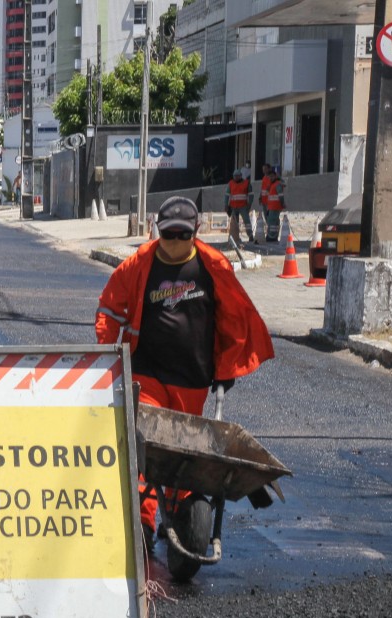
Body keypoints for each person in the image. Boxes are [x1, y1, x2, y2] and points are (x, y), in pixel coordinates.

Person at [95, 196, 274, 550]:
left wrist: (226, 369)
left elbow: (234, 321)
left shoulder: (213, 266)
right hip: (146, 372)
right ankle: (142, 523)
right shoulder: (139, 263)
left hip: (192, 378)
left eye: (182, 235)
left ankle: (180, 514)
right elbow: (109, 308)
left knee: (182, 453)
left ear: (197, 231)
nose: (175, 242)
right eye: (168, 235)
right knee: (146, 450)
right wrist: (107, 354)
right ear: (156, 230)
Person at [224, 169, 255, 246]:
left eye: (237, 176)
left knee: (247, 221)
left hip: (243, 206)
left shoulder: (246, 183)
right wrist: (226, 205)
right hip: (233, 206)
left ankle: (250, 235)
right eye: (234, 176)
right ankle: (235, 236)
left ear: (241, 176)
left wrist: (249, 204)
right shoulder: (230, 184)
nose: (236, 177)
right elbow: (227, 195)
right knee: (235, 223)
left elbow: (251, 195)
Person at [264, 167, 286, 243]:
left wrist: (282, 204)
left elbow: (281, 195)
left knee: (272, 222)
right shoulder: (272, 185)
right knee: (274, 222)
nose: (271, 178)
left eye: (272, 176)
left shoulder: (277, 184)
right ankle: (273, 236)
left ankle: (271, 236)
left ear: (275, 176)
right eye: (270, 177)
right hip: (272, 207)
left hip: (275, 206)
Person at [259, 164, 278, 242]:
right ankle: (270, 234)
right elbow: (262, 189)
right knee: (267, 219)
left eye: (265, 169)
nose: (264, 171)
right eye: (263, 169)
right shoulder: (264, 178)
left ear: (269, 169)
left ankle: (273, 235)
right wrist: (260, 197)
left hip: (270, 202)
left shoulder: (274, 178)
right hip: (264, 201)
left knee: (272, 220)